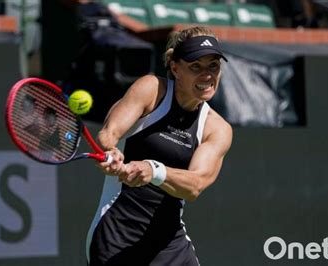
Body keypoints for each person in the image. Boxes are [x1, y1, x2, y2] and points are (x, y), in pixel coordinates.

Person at [86, 26, 233, 266]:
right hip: (116, 237)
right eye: (195, 66)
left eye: (213, 66)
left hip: (171, 245)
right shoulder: (151, 89)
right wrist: (111, 151)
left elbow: (195, 185)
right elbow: (109, 132)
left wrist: (153, 170)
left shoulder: (217, 128)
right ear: (175, 68)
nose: (207, 76)